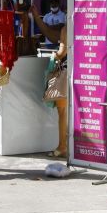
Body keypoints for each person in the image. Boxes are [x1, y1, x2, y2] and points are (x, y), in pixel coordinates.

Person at [46, 23, 68, 158]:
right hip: (85, 70)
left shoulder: (67, 28)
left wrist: (54, 56)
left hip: (67, 71)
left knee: (63, 112)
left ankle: (62, 146)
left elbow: (62, 52)